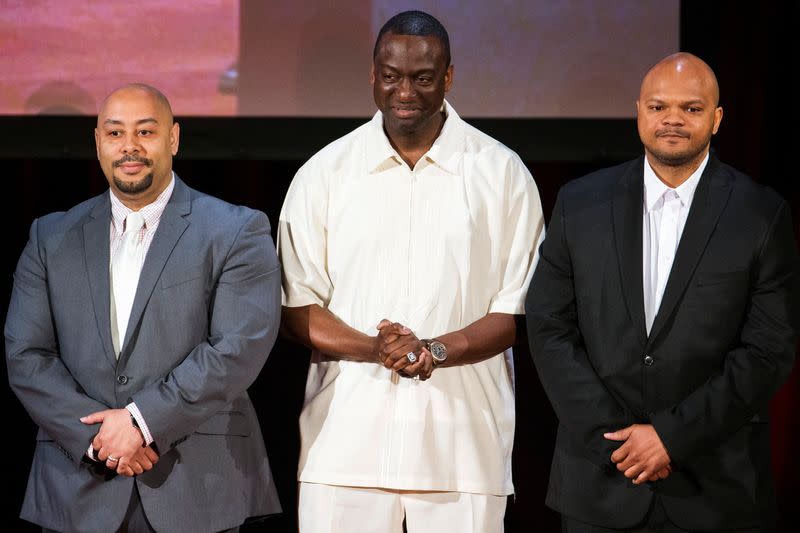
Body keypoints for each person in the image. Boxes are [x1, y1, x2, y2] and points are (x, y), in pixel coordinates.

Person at [278, 10, 545, 533]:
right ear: (373, 74)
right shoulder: (324, 174)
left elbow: (516, 312)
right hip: (344, 449)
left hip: (463, 451)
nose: (406, 91)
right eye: (391, 76)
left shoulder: (502, 173)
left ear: (447, 77)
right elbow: (297, 310)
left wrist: (433, 351)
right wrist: (376, 348)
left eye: (423, 78)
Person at [526, 52, 798, 531]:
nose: (672, 119)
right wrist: (621, 445)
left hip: (718, 489)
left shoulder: (760, 213)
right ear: (639, 112)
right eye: (658, 107)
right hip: (600, 484)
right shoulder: (580, 202)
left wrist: (671, 437)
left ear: (716, 119)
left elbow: (768, 350)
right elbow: (549, 329)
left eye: (691, 109)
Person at [5, 84, 282, 532]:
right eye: (115, 134)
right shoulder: (50, 237)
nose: (129, 146)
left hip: (197, 487)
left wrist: (141, 422)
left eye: (145, 132)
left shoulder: (236, 230)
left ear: (173, 138)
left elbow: (238, 346)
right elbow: (26, 355)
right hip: (78, 487)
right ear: (97, 143)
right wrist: (100, 439)